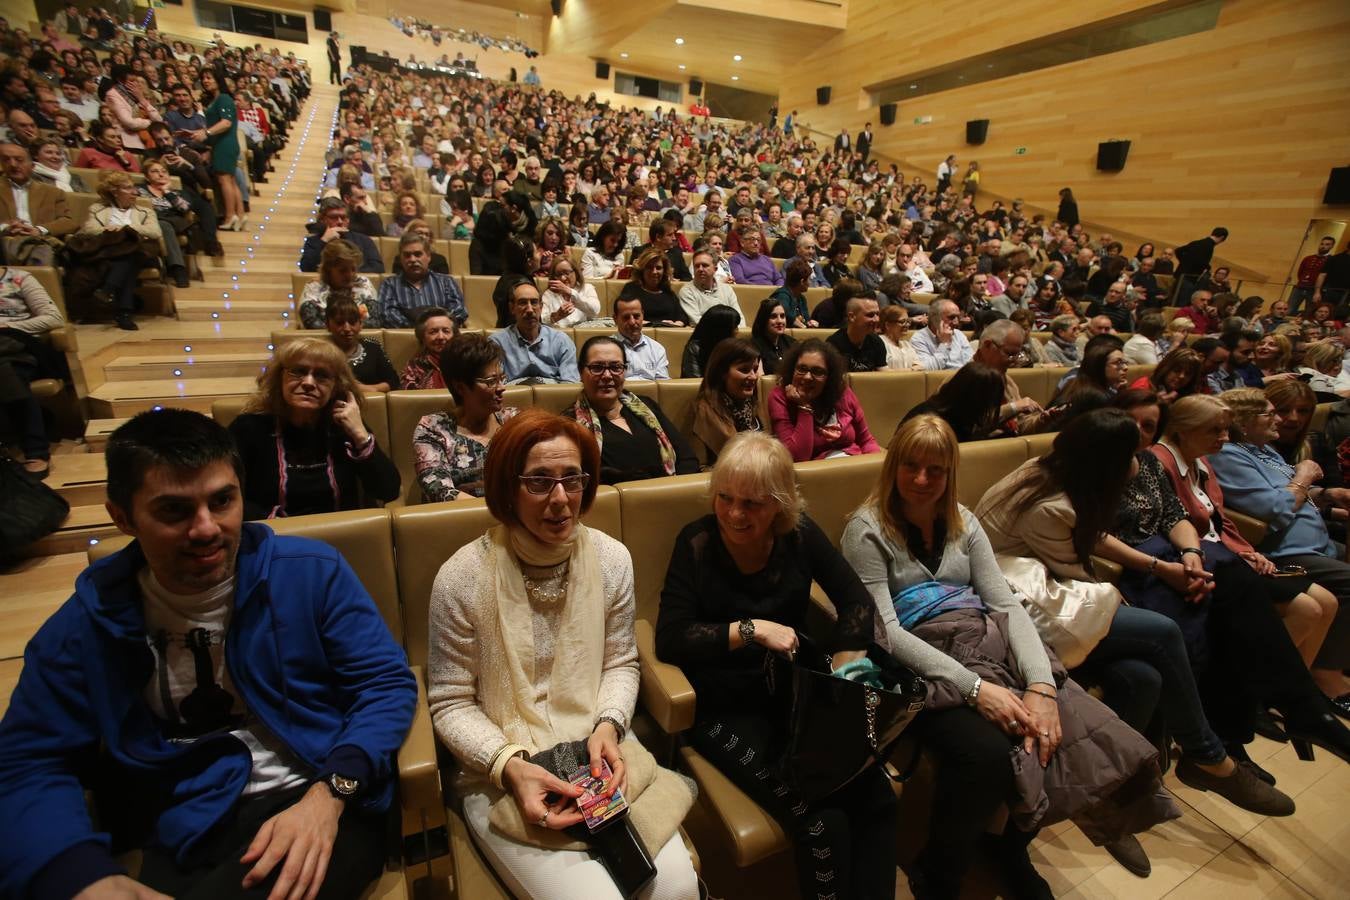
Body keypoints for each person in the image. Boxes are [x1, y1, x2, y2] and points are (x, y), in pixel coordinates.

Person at [0, 408, 416, 900]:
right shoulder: (84, 624)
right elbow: (28, 760)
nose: (206, 528)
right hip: (183, 817)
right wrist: (82, 874)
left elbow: (384, 684)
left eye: (223, 501)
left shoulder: (311, 573)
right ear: (122, 517)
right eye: (174, 510)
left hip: (316, 791)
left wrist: (331, 793)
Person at [844, 415, 1176, 893]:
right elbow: (888, 631)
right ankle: (939, 871)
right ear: (892, 466)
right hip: (923, 663)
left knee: (1053, 727)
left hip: (988, 642)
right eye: (910, 467)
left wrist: (1040, 685)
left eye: (934, 470)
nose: (921, 480)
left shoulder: (965, 522)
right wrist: (977, 690)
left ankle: (1008, 849)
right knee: (988, 754)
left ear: (949, 473)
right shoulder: (867, 529)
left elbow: (1004, 604)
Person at [974, 410, 1302, 818]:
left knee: (1142, 677)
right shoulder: (1049, 504)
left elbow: (1090, 540)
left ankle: (1117, 791)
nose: (1138, 461)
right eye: (1130, 452)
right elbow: (1078, 573)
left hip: (1045, 588)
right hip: (1014, 602)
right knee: (1163, 631)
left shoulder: (1054, 475)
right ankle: (1208, 756)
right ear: (1103, 459)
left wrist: (1164, 566)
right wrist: (1148, 581)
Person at [427, 410, 699, 898]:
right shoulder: (461, 577)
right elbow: (449, 701)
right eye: (538, 482)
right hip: (503, 772)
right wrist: (510, 763)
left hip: (595, 753)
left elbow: (619, 661)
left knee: (675, 887)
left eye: (572, 479)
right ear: (506, 489)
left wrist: (608, 726)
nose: (560, 500)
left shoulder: (612, 559)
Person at [657, 431, 896, 900]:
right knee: (820, 818)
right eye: (725, 497)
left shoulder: (799, 534)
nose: (734, 514)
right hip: (721, 708)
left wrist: (844, 674)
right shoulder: (698, 542)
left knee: (877, 796)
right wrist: (749, 628)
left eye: (752, 503)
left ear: (780, 504)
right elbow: (671, 638)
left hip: (792, 697)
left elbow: (856, 602)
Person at [1109, 390, 1347, 770]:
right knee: (1247, 592)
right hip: (1142, 568)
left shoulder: (1153, 463)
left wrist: (1193, 554)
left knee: (1301, 601)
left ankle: (1268, 714)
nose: (1141, 433)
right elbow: (1092, 533)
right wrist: (1171, 565)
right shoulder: (1115, 461)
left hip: (1188, 557)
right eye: (1214, 429)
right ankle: (1277, 716)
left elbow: (1182, 517)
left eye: (1150, 425)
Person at [1205, 390, 1350, 723]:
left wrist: (1326, 494)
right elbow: (1271, 509)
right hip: (1283, 552)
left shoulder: (1264, 451)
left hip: (1317, 544)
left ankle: (1297, 688)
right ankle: (1325, 676)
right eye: (1269, 414)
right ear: (1242, 422)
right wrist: (1302, 478)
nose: (1281, 419)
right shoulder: (1229, 455)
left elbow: (1287, 494)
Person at [229, 336, 400, 519]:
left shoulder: (344, 426)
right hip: (275, 538)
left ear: (336, 386)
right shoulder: (248, 428)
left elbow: (388, 491)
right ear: (279, 378)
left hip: (342, 536)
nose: (309, 383)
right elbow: (226, 498)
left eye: (322, 375)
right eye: (298, 371)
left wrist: (360, 435)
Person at [563, 336, 698, 483]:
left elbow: (687, 457)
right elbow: (582, 479)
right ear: (581, 372)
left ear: (625, 371)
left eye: (616, 367)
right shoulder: (570, 423)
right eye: (597, 368)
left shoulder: (646, 407)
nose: (607, 376)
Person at [413, 332, 519, 502]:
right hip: (460, 521)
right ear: (460, 387)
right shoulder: (433, 428)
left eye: (502, 379)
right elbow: (437, 488)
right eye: (491, 381)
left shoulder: (513, 421)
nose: (501, 388)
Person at [77, 171, 164, 331]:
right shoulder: (97, 209)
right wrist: (109, 230)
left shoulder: (146, 211)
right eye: (128, 188)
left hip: (141, 251)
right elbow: (89, 229)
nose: (134, 192)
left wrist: (126, 228)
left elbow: (154, 232)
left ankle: (108, 289)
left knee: (131, 251)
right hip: (112, 252)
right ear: (114, 191)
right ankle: (124, 313)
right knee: (128, 261)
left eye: (134, 188)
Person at [769, 339, 880, 462]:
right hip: (815, 474)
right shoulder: (779, 397)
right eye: (802, 369)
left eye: (817, 372)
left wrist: (877, 467)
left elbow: (865, 439)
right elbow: (797, 456)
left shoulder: (843, 393)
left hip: (853, 465)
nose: (807, 377)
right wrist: (804, 407)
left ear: (829, 377)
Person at [0, 264, 64, 476]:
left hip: (16, 347)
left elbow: (54, 317)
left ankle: (35, 451)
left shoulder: (18, 278)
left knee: (7, 372)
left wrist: (10, 327)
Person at [180, 69, 246, 231]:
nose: (205, 81)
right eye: (203, 78)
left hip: (225, 143)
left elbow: (226, 123)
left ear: (218, 79)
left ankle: (230, 216)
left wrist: (206, 133)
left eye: (209, 77)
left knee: (224, 180)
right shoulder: (216, 99)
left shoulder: (223, 98)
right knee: (230, 180)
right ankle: (240, 215)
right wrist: (197, 133)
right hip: (221, 143)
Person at [491, 280, 579, 384]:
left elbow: (570, 385)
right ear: (512, 308)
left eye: (534, 302)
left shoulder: (561, 341)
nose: (529, 309)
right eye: (522, 303)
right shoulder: (497, 343)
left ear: (541, 307)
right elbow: (496, 385)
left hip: (554, 399)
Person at [690, 338, 762, 464]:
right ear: (722, 372)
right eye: (744, 370)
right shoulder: (707, 409)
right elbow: (736, 458)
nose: (753, 377)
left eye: (755, 370)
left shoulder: (753, 403)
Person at [378, 233, 467, 329]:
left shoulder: (446, 282)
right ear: (401, 259)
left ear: (428, 257)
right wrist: (421, 330)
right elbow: (387, 315)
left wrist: (435, 328)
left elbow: (459, 311)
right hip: (406, 336)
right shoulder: (389, 284)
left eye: (418, 254)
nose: (412, 259)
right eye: (407, 255)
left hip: (443, 337)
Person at [299, 239, 381, 329]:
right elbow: (311, 324)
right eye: (343, 271)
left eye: (353, 269)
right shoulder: (313, 287)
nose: (350, 275)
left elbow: (375, 322)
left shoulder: (364, 284)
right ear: (328, 269)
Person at [325, 298, 397, 392]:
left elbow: (393, 381)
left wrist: (369, 389)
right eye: (340, 323)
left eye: (352, 322)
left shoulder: (373, 347)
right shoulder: (321, 352)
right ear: (327, 325)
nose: (347, 328)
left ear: (361, 324)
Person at [300, 197, 383, 274]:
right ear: (322, 220)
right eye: (334, 217)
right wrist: (324, 240)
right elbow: (306, 268)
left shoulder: (364, 240)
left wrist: (347, 273)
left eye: (343, 217)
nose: (340, 222)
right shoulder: (314, 241)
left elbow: (378, 268)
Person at [618, 247, 688, 326]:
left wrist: (676, 325)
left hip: (667, 335)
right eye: (649, 267)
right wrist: (650, 324)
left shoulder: (668, 291)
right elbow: (624, 315)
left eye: (658, 268)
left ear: (664, 271)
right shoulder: (631, 289)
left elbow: (682, 317)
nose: (654, 272)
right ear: (642, 269)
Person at [400, 306, 458, 390]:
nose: (441, 337)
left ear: (454, 335)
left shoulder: (466, 361)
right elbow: (409, 399)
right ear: (422, 337)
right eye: (433, 332)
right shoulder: (414, 368)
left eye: (446, 331)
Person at [679, 248, 742, 325]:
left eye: (705, 265)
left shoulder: (727, 289)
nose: (700, 269)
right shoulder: (687, 291)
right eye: (697, 266)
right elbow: (697, 322)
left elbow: (739, 318)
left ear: (715, 269)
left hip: (731, 335)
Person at [827, 295, 886, 372]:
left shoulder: (876, 341)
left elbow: (883, 373)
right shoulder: (833, 345)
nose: (876, 319)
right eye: (870, 315)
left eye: (877, 314)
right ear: (851, 317)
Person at [911, 298, 974, 370]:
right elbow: (927, 369)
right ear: (934, 317)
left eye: (958, 317)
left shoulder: (959, 334)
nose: (956, 322)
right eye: (951, 317)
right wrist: (944, 344)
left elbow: (970, 363)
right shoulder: (918, 339)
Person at [681, 304, 740, 379]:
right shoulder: (695, 348)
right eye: (735, 327)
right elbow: (694, 379)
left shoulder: (736, 347)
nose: (737, 331)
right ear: (722, 329)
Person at [541, 255, 602, 328]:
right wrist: (557, 316)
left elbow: (595, 311)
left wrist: (571, 292)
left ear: (576, 272)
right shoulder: (549, 294)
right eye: (558, 274)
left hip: (583, 334)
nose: (563, 278)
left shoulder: (587, 288)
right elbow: (542, 321)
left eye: (566, 273)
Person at [750, 296, 796, 374]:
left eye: (782, 316)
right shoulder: (753, 347)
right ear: (764, 320)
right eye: (773, 316)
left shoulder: (792, 343)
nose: (779, 321)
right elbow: (760, 379)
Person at [769, 257, 816, 328]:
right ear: (802, 282)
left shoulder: (802, 298)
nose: (810, 283)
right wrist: (801, 325)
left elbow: (806, 319)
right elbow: (784, 315)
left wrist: (810, 323)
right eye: (809, 279)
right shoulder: (782, 296)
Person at [880, 304, 922, 371]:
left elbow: (919, 367)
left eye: (908, 321)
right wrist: (911, 370)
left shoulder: (906, 344)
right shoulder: (880, 343)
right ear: (888, 325)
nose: (907, 325)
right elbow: (884, 372)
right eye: (902, 322)